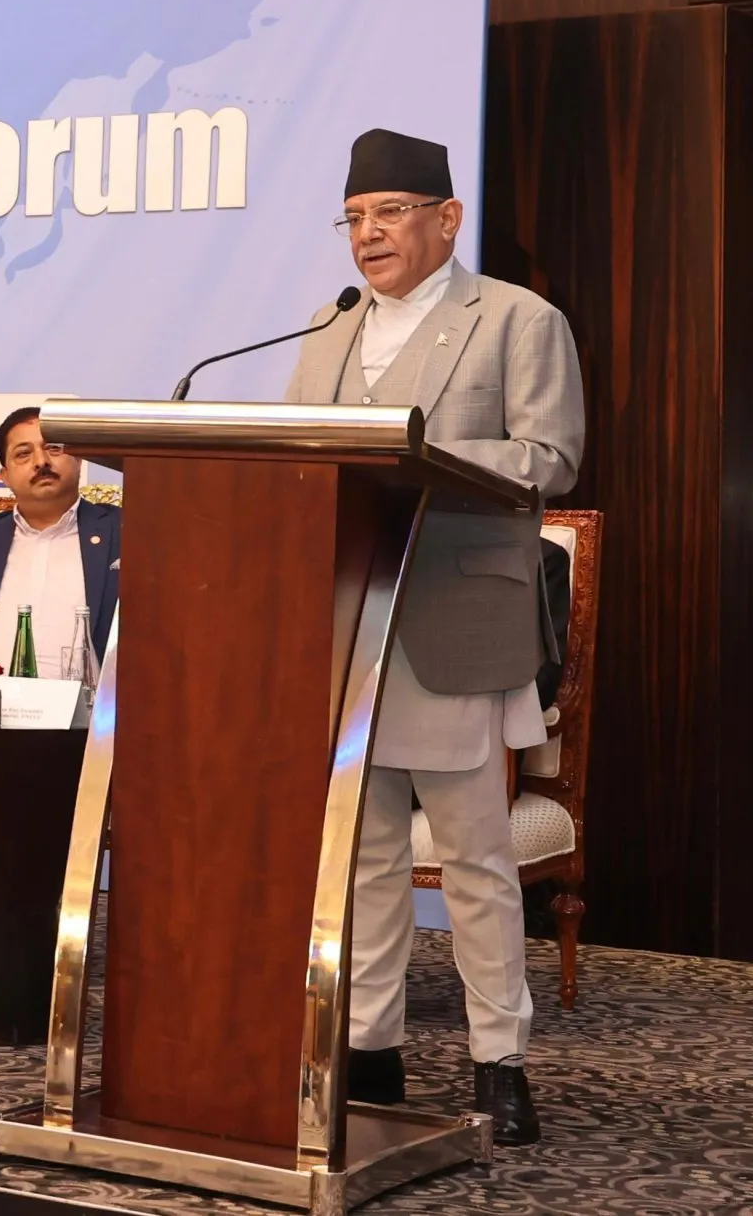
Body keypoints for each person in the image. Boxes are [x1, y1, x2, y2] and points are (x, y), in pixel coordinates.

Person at [287, 127, 584, 1147]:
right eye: (353, 217)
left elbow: (550, 456)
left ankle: (500, 1060)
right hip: (347, 621)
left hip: (455, 619)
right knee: (364, 852)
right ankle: (370, 1046)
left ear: (446, 218)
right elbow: (298, 455)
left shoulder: (515, 317)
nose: (368, 234)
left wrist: (420, 454)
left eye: (389, 212)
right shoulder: (329, 327)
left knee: (473, 858)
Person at [0, 405, 121, 673]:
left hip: (86, 698)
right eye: (23, 454)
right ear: (5, 476)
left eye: (53, 448)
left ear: (79, 459)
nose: (41, 462)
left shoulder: (123, 531)